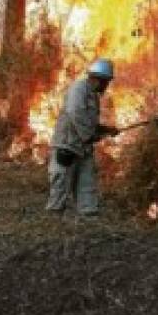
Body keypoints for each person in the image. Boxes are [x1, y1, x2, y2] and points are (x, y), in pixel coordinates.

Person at [46, 58, 118, 216]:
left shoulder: (93, 96)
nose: (107, 85)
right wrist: (89, 135)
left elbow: (89, 122)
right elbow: (75, 113)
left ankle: (89, 221)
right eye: (106, 81)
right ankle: (53, 224)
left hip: (83, 150)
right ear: (97, 79)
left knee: (87, 187)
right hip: (67, 147)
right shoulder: (78, 89)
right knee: (60, 187)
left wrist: (106, 130)